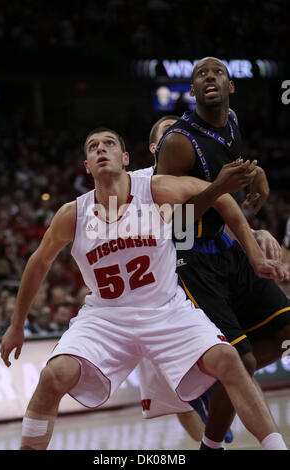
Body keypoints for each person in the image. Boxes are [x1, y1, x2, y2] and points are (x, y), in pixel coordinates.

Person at [0, 128, 288, 451]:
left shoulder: (154, 189)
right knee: (53, 375)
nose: (100, 149)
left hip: (166, 309)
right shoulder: (73, 214)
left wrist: (253, 248)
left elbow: (219, 196)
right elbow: (38, 263)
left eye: (109, 144)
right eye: (92, 147)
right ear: (86, 166)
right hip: (106, 319)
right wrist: (16, 324)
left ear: (125, 159)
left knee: (230, 360)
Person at [154, 56, 290, 450]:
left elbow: (229, 166)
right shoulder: (178, 143)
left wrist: (255, 171)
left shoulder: (231, 122)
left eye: (217, 72)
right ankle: (211, 445)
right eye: (200, 74)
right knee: (242, 363)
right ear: (192, 91)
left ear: (231, 87)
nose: (209, 77)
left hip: (225, 246)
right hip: (190, 257)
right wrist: (217, 189)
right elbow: (170, 224)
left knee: (285, 333)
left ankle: (213, 382)